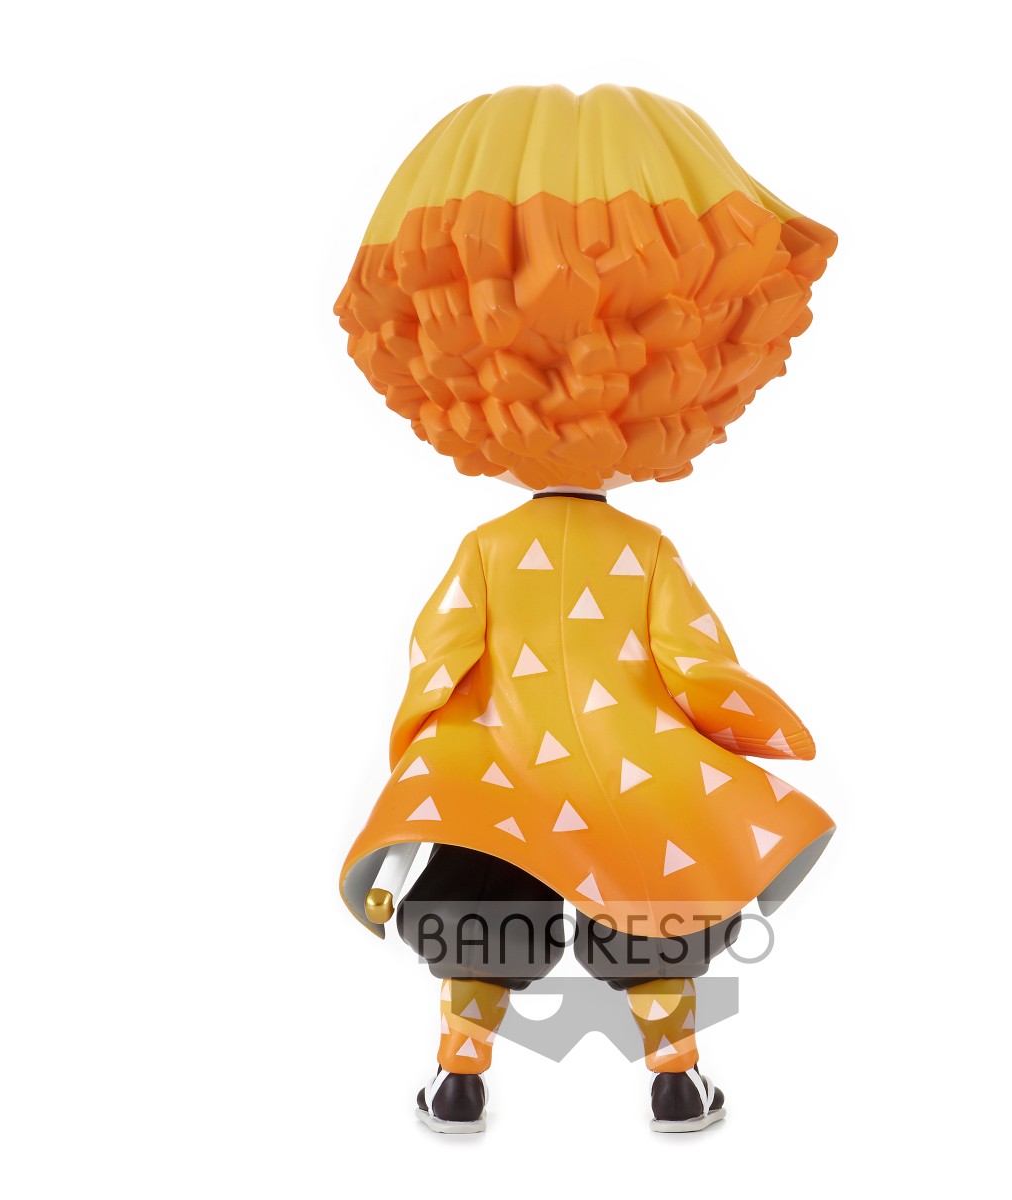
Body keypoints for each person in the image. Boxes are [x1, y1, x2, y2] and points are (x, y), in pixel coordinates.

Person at [334, 83, 837, 1133]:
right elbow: (699, 670)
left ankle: (460, 1077)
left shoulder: (487, 549)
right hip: (631, 780)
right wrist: (762, 728)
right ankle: (676, 1078)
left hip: (504, 781)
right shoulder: (645, 551)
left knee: (483, 919)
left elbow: (439, 664)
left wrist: (424, 757)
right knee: (655, 919)